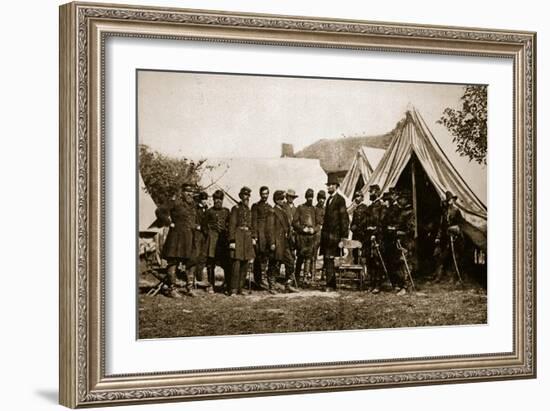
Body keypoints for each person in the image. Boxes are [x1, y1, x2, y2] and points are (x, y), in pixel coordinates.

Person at [157, 183, 199, 298]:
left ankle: (189, 288)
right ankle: (172, 289)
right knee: (173, 261)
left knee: (191, 261)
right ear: (183, 192)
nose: (190, 194)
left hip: (189, 237)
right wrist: (169, 223)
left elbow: (193, 220)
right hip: (176, 237)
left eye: (191, 192)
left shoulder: (193, 205)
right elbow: (160, 211)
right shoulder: (175, 202)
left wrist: (195, 226)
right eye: (187, 192)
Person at [320, 176, 349, 291]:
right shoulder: (329, 200)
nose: (329, 187)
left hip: (335, 237)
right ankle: (331, 284)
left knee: (330, 259)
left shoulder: (340, 200)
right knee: (327, 260)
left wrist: (343, 238)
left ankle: (330, 285)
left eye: (332, 185)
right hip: (327, 237)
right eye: (328, 185)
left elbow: (344, 219)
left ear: (337, 186)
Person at [228, 186, 256, 296]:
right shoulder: (235, 209)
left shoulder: (249, 210)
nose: (246, 198)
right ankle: (233, 289)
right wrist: (232, 240)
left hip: (247, 238)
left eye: (248, 196)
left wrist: (253, 237)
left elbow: (252, 225)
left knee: (245, 263)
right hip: (238, 236)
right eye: (245, 195)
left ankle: (241, 288)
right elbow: (232, 225)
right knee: (236, 263)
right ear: (240, 196)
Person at [269, 190, 298, 293]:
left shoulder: (283, 210)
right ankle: (272, 286)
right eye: (281, 199)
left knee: (290, 262)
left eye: (283, 198)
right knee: (275, 264)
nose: (283, 200)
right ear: (276, 200)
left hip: (285, 242)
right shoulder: (272, 211)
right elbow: (270, 229)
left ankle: (288, 284)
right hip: (277, 241)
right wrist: (272, 243)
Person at [433, 191, 464, 284]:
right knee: (441, 256)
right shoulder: (444, 212)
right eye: (448, 200)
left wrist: (454, 230)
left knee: (456, 257)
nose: (450, 201)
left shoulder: (457, 211)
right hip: (446, 238)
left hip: (456, 238)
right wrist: (438, 237)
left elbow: (460, 224)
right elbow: (441, 226)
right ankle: (439, 276)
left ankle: (456, 277)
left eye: (451, 200)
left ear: (453, 200)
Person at [204, 190, 231, 293]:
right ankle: (211, 284)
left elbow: (229, 224)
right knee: (211, 263)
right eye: (216, 199)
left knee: (226, 263)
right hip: (212, 241)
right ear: (213, 200)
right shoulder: (209, 211)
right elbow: (204, 226)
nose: (218, 201)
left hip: (223, 241)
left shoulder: (226, 211)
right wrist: (209, 233)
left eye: (220, 199)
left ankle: (226, 283)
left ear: (222, 200)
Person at [292, 189, 318, 287]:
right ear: (306, 197)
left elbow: (319, 224)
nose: (310, 198)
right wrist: (303, 229)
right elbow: (294, 222)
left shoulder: (314, 209)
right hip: (302, 237)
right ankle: (297, 278)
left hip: (311, 237)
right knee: (300, 257)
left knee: (309, 258)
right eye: (308, 197)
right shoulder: (300, 208)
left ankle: (306, 278)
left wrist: (314, 230)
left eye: (311, 197)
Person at [381, 189, 403, 292]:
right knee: (389, 262)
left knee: (395, 262)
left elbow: (399, 223)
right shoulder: (387, 210)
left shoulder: (397, 209)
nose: (384, 202)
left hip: (394, 238)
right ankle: (394, 283)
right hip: (387, 239)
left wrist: (393, 228)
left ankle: (399, 284)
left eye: (385, 200)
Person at [251, 186, 273, 290]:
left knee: (265, 256)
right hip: (260, 234)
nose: (265, 196)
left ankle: (263, 278)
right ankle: (258, 279)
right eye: (263, 194)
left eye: (266, 194)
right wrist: (254, 236)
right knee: (258, 256)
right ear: (260, 194)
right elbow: (254, 221)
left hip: (267, 233)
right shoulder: (256, 206)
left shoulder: (270, 207)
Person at [364, 184, 385, 294]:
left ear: (377, 192)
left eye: (371, 192)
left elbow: (381, 223)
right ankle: (371, 284)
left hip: (377, 237)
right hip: (369, 237)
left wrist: (375, 232)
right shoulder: (370, 207)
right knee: (370, 261)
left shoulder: (381, 207)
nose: (370, 194)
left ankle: (378, 284)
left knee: (377, 261)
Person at [395, 189, 415, 294]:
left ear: (406, 200)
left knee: (406, 263)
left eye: (401, 199)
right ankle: (404, 285)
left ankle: (407, 286)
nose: (399, 201)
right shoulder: (402, 211)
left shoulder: (410, 212)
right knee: (401, 263)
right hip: (401, 240)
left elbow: (411, 229)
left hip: (407, 241)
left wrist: (401, 232)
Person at [189, 191, 209, 290]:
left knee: (203, 256)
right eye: (203, 199)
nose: (205, 201)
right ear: (200, 199)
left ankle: (199, 276)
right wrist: (197, 226)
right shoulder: (196, 209)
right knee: (195, 255)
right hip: (197, 234)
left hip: (204, 235)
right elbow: (192, 221)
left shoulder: (207, 209)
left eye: (206, 199)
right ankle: (191, 280)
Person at [350, 190, 368, 264]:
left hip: (362, 233)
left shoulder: (365, 208)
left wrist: (356, 226)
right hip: (355, 233)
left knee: (362, 252)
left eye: (358, 196)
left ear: (362, 198)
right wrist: (351, 227)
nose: (356, 198)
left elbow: (365, 221)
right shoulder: (355, 208)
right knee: (355, 251)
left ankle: (362, 271)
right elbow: (354, 220)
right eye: (355, 197)